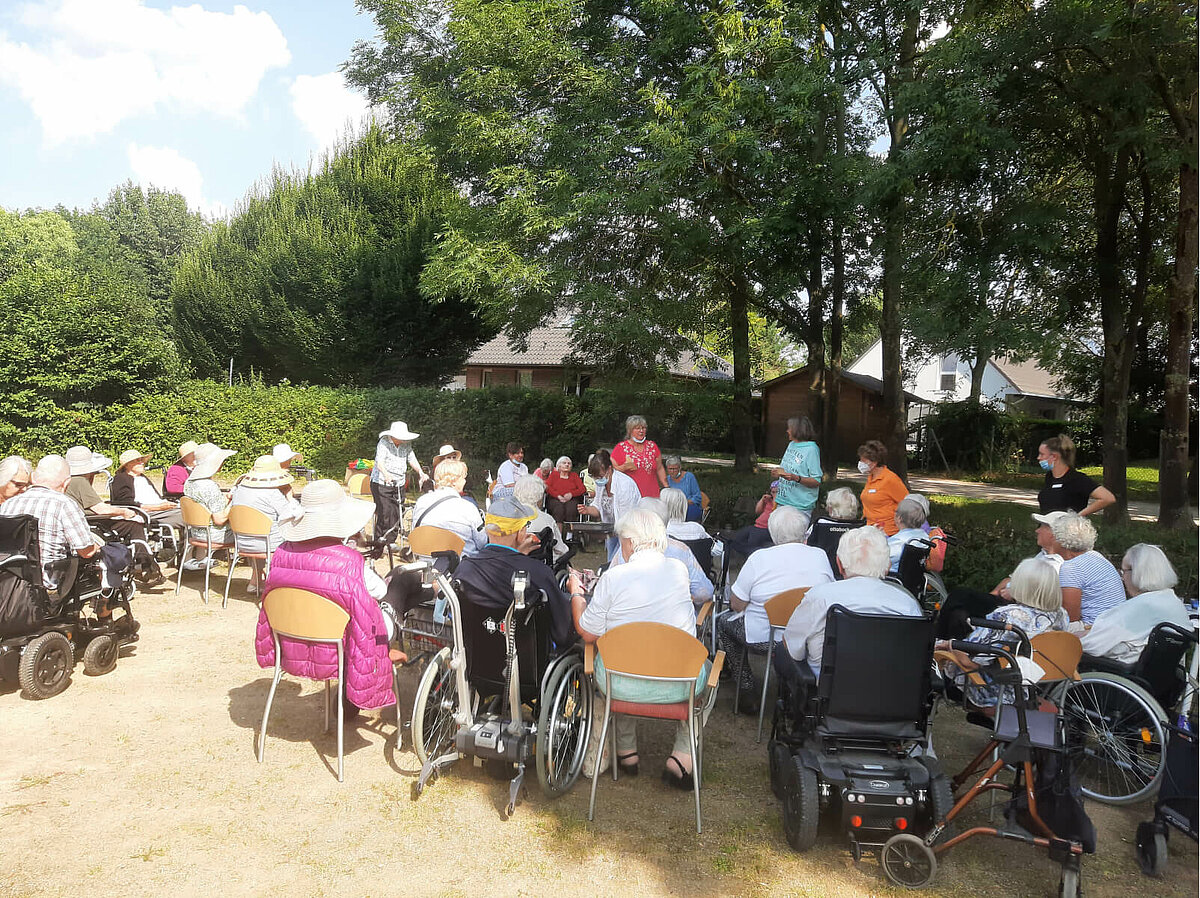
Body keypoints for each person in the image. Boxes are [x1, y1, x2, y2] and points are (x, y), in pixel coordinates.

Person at [571, 508, 702, 788]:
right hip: (681, 682)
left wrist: (576, 595)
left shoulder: (614, 577)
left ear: (629, 541)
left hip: (620, 683)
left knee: (623, 656)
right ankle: (682, 755)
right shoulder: (679, 570)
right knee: (698, 666)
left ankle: (626, 750)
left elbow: (587, 631)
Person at [256, 479, 402, 722]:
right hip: (341, 646)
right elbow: (377, 591)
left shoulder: (281, 554)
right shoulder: (349, 560)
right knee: (393, 595)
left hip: (291, 642)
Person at [720, 506, 836, 709]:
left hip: (764, 638)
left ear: (772, 533)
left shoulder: (759, 558)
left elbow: (737, 604)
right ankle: (790, 686)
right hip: (809, 640)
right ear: (804, 531)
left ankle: (747, 688)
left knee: (723, 623)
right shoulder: (819, 556)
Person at [782, 526, 921, 679]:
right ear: (887, 567)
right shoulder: (907, 604)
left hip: (830, 695)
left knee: (782, 651)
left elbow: (792, 649)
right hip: (892, 696)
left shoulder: (820, 598)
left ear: (839, 564)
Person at [937, 558, 1068, 708]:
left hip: (989, 690)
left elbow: (970, 660)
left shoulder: (1009, 616)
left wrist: (949, 645)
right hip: (1033, 685)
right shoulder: (1061, 615)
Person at [454, 497, 579, 651]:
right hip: (527, 662)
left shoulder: (465, 568)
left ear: (488, 529)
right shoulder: (538, 572)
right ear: (520, 533)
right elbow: (563, 633)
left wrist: (518, 555)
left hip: (477, 658)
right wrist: (575, 593)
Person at [936, 511, 1066, 639]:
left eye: (1042, 527)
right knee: (958, 613)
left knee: (960, 595)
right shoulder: (1043, 555)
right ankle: (943, 645)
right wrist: (993, 594)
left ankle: (941, 643)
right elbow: (1009, 578)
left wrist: (1013, 593)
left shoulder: (1055, 565)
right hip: (1005, 597)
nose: (1037, 531)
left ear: (1054, 534)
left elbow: (1038, 595)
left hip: (1016, 604)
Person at [63, 445, 164, 585]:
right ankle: (144, 566)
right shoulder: (80, 481)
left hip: (82, 520)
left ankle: (144, 565)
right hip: (91, 522)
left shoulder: (67, 480)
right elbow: (101, 509)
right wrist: (123, 511)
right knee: (134, 525)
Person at [0, 454, 99, 590]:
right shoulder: (64, 504)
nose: (23, 489)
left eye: (25, 484)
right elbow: (86, 551)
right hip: (46, 585)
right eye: (18, 484)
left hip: (9, 582)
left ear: (34, 478)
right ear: (66, 483)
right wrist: (97, 547)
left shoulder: (8, 505)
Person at [1080, 544, 1192, 664]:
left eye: (1124, 571)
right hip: (1160, 673)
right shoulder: (1171, 600)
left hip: (1121, 671)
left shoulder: (1143, 605)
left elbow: (1093, 644)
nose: (1122, 578)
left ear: (1138, 572)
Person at [609, 496, 713, 606]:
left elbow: (609, 587)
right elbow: (705, 592)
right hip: (674, 619)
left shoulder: (627, 547)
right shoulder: (681, 550)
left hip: (628, 619)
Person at [229, 456, 305, 593]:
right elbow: (295, 514)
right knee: (290, 534)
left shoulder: (239, 490)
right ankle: (281, 582)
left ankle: (255, 580)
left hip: (242, 542)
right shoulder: (272, 493)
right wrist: (289, 497)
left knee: (260, 532)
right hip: (269, 544)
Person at [1051, 512, 1125, 627]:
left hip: (1093, 629)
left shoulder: (1072, 568)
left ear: (1061, 542)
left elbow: (1070, 617)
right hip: (1115, 626)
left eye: (1054, 536)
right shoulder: (1097, 557)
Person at [410, 458, 488, 555]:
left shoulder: (421, 501)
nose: (464, 482)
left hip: (425, 563)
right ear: (454, 481)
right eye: (463, 478)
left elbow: (416, 533)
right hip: (461, 566)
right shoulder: (467, 507)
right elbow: (482, 543)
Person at [371, 421, 429, 545]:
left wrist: (420, 472)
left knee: (398, 511)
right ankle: (379, 541)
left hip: (399, 482)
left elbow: (411, 459)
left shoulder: (406, 444)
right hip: (381, 482)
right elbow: (379, 462)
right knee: (385, 512)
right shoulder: (384, 442)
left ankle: (391, 541)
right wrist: (386, 474)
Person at [183, 442, 237, 569]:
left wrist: (225, 500)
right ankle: (257, 580)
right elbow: (219, 519)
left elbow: (205, 505)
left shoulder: (189, 483)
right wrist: (235, 500)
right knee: (252, 534)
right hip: (215, 535)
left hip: (196, 533)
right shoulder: (209, 486)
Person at [580, 448, 641, 560]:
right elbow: (598, 507)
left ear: (609, 469)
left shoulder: (625, 486)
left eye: (600, 477)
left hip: (628, 530)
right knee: (611, 560)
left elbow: (624, 522)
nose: (598, 480)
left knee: (623, 559)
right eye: (595, 478)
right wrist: (587, 510)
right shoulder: (600, 484)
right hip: (611, 530)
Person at [1036, 434, 1115, 517]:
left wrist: (1078, 516)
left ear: (1054, 456)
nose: (1038, 458)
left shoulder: (1077, 479)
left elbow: (1108, 498)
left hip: (1067, 528)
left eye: (1042, 454)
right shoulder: (1049, 477)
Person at [109, 450, 183, 528]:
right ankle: (192, 539)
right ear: (127, 465)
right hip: (145, 513)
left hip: (160, 510)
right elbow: (126, 504)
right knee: (187, 516)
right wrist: (158, 507)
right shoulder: (121, 479)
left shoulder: (142, 477)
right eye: (138, 461)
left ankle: (187, 539)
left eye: (141, 460)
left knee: (191, 510)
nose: (142, 463)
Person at [805, 486, 865, 574]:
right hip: (852, 572)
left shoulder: (820, 524)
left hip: (823, 570)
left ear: (830, 508)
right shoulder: (860, 527)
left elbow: (807, 545)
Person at [512, 474, 569, 563]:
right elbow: (561, 550)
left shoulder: (506, 518)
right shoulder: (547, 520)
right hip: (540, 567)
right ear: (540, 496)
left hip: (510, 566)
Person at [857, 439, 909, 535]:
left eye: (863, 460)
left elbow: (908, 504)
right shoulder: (871, 478)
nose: (860, 462)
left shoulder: (891, 479)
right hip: (871, 529)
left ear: (874, 462)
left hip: (888, 532)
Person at [774, 416, 822, 513]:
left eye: (789, 428)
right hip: (782, 501)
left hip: (800, 507)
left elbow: (816, 481)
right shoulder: (791, 444)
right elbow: (785, 469)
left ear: (797, 430)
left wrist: (796, 478)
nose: (787, 431)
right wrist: (777, 473)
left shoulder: (811, 449)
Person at [610, 415, 665, 498]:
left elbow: (660, 468)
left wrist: (666, 486)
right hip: (630, 496)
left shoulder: (652, 446)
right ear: (630, 430)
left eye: (643, 428)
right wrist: (624, 467)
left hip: (652, 495)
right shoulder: (620, 448)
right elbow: (612, 471)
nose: (641, 431)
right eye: (637, 428)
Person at [722, 480, 779, 561]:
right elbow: (757, 511)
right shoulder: (768, 501)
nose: (773, 494)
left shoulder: (781, 502)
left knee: (753, 540)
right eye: (772, 492)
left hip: (767, 529)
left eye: (776, 492)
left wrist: (776, 499)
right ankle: (750, 552)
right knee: (736, 538)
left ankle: (751, 557)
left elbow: (775, 511)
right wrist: (762, 500)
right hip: (756, 526)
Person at [886, 495, 929, 573]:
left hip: (892, 579)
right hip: (914, 579)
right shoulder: (924, 536)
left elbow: (879, 559)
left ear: (899, 518)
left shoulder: (898, 541)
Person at [544, 456, 585, 531]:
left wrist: (571, 494)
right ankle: (558, 534)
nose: (567, 465)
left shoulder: (574, 476)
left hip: (571, 499)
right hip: (555, 499)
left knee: (571, 508)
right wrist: (558, 496)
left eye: (569, 463)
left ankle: (570, 535)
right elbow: (547, 487)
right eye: (564, 463)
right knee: (558, 508)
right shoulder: (553, 475)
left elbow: (582, 489)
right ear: (559, 466)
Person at [664, 455, 703, 522]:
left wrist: (682, 503)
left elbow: (697, 497)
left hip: (688, 507)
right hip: (673, 510)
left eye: (675, 469)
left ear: (679, 468)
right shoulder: (667, 479)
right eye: (670, 469)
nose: (672, 471)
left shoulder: (689, 477)